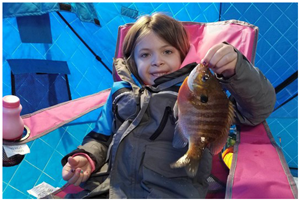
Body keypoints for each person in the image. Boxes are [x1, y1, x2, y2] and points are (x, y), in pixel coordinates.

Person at [61, 13, 276, 198]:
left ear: (182, 55)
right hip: (110, 188)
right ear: (133, 61)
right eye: (145, 54)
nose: (157, 61)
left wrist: (237, 71)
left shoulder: (199, 92)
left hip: (171, 191)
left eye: (167, 52)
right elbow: (100, 137)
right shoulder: (119, 93)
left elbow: (256, 110)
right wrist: (86, 158)